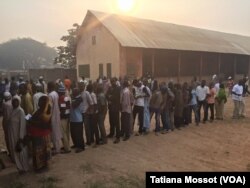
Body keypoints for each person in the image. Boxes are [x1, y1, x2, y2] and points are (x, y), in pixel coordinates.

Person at [27, 96, 52, 172]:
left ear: (44, 103)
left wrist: (31, 121)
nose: (38, 102)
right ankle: (39, 166)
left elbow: (43, 124)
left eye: (40, 101)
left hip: (41, 134)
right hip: (38, 134)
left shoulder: (46, 112)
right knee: (39, 151)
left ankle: (42, 166)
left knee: (41, 151)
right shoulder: (39, 111)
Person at [8, 97, 29, 174]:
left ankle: (25, 167)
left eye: (16, 101)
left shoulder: (21, 111)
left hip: (19, 135)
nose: (14, 103)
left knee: (22, 151)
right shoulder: (12, 111)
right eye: (13, 101)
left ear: (19, 102)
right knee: (15, 151)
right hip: (12, 135)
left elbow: (22, 125)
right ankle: (20, 168)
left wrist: (21, 137)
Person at [47, 81, 62, 155]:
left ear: (49, 87)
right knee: (57, 131)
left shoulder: (50, 95)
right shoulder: (56, 93)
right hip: (57, 114)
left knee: (54, 132)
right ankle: (57, 147)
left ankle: (57, 149)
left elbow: (49, 106)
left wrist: (48, 116)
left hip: (53, 115)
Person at [70, 88, 84, 153]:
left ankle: (81, 147)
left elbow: (73, 105)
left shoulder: (79, 99)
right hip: (73, 118)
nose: (72, 92)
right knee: (73, 133)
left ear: (76, 93)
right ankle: (76, 144)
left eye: (73, 92)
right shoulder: (75, 98)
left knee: (79, 134)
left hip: (78, 119)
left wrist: (71, 100)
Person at [58, 85, 71, 153]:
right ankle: (67, 146)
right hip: (68, 116)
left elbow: (63, 108)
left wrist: (60, 116)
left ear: (60, 92)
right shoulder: (67, 97)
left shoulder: (61, 98)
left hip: (63, 117)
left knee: (63, 133)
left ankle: (67, 149)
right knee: (67, 132)